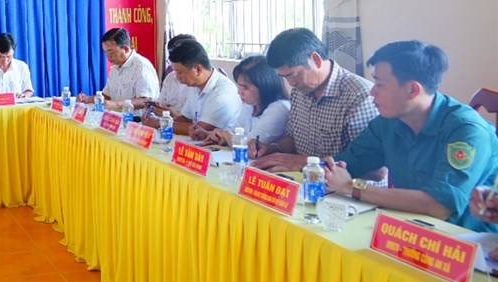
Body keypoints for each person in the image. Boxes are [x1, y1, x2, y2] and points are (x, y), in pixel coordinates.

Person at [322, 41, 497, 232]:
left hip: (465, 240)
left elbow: (439, 207)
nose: (372, 91)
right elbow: (345, 165)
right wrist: (327, 170)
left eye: (380, 84)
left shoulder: (467, 130)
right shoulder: (387, 122)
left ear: (413, 90)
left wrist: (353, 187)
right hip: (408, 229)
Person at [250, 28, 377, 172]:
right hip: (303, 180)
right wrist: (272, 148)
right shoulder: (299, 91)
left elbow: (373, 168)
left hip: (345, 185)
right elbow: (293, 139)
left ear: (316, 60)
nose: (291, 83)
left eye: (293, 75)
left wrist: (306, 162)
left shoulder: (359, 96)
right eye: (284, 77)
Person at [193, 55, 291, 150]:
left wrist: (225, 134)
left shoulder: (278, 109)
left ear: (265, 86)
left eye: (245, 88)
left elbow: (250, 146)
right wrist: (213, 135)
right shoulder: (251, 105)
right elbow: (234, 132)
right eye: (239, 86)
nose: (239, 92)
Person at [149, 39, 242, 136]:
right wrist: (159, 120)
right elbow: (186, 119)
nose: (177, 77)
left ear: (198, 69)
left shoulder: (223, 92)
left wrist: (159, 123)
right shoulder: (196, 86)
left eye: (179, 72)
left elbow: (200, 129)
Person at [76, 27, 159, 111]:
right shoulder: (115, 68)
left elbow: (147, 100)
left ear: (125, 49)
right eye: (106, 52)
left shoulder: (142, 66)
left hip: (137, 118)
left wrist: (116, 104)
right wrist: (87, 99)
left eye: (111, 52)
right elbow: (107, 95)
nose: (108, 56)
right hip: (116, 117)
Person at [156, 33, 196, 112]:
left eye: (175, 58)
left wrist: (173, 113)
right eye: (171, 58)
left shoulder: (199, 83)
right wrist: (156, 109)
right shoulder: (170, 78)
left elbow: (197, 117)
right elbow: (161, 103)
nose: (172, 63)